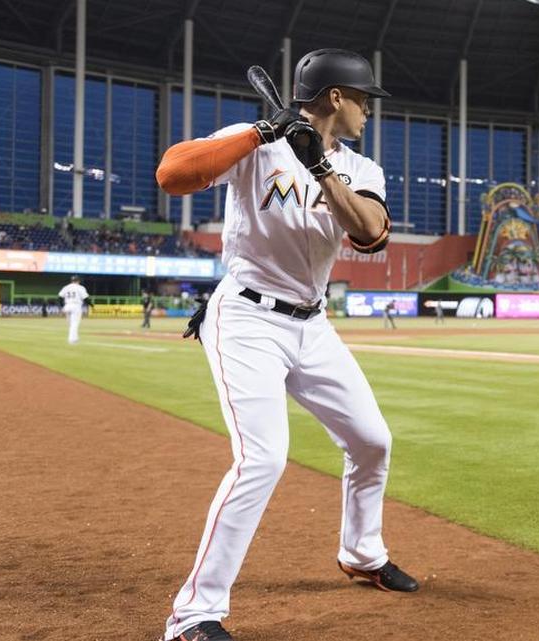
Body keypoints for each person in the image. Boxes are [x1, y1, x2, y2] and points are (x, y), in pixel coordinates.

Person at [154, 48, 416, 641]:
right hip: (247, 319)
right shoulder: (257, 145)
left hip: (313, 325)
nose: (369, 111)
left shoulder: (361, 168)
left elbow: (370, 232)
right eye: (365, 100)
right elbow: (173, 175)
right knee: (264, 457)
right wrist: (262, 131)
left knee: (373, 441)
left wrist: (319, 164)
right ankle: (193, 615)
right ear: (336, 98)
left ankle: (362, 553)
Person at [58, 275, 89, 344]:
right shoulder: (80, 287)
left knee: (71, 324)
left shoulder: (66, 287)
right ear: (78, 281)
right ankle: (72, 340)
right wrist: (91, 305)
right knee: (75, 323)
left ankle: (75, 337)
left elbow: (60, 297)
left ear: (71, 280)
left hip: (67, 306)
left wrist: (62, 306)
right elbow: (85, 298)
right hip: (76, 306)